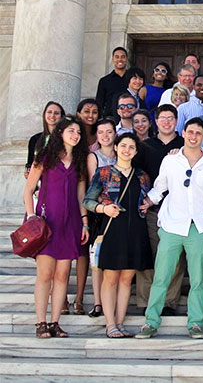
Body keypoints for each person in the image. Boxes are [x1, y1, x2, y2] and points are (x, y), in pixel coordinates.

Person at [135, 117, 203, 339]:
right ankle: (151, 321)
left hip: (199, 226)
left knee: (197, 278)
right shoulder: (170, 160)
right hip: (172, 224)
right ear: (183, 133)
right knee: (162, 276)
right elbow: (159, 187)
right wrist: (148, 201)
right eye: (190, 132)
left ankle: (195, 323)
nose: (193, 136)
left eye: (198, 133)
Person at [23, 116, 90, 338]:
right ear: (60, 133)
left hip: (69, 223)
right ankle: (40, 322)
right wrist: (31, 216)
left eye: (78, 132)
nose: (75, 135)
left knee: (62, 276)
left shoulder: (80, 161)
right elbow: (29, 189)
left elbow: (81, 196)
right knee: (45, 274)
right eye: (71, 130)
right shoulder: (45, 157)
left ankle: (54, 322)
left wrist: (84, 223)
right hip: (47, 222)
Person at [84, 132, 153, 338]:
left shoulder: (142, 176)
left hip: (135, 230)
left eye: (131, 147)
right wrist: (103, 209)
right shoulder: (104, 173)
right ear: (116, 147)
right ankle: (110, 323)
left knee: (127, 278)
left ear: (136, 151)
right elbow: (88, 200)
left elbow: (146, 200)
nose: (127, 150)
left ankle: (120, 322)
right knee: (111, 277)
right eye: (123, 146)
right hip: (113, 229)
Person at [133, 105, 186, 317]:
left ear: (176, 121)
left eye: (170, 118)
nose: (166, 122)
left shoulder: (184, 145)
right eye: (162, 118)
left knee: (175, 258)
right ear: (156, 121)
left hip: (179, 210)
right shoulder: (146, 146)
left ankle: (169, 301)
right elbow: (136, 175)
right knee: (151, 255)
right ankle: (146, 301)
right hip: (153, 209)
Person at [84, 118, 117, 319]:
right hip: (99, 212)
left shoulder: (123, 150)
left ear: (115, 134)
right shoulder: (93, 157)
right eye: (101, 132)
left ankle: (110, 302)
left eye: (109, 132)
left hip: (119, 213)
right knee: (96, 259)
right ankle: (97, 302)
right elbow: (92, 187)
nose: (105, 136)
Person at [26, 101, 65, 177]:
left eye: (56, 113)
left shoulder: (65, 139)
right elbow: (30, 164)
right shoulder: (34, 139)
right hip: (39, 184)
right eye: (49, 112)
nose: (52, 115)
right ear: (44, 114)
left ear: (62, 117)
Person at [96, 47, 129, 118]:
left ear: (126, 59)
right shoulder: (104, 81)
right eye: (117, 57)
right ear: (113, 60)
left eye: (123, 57)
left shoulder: (133, 80)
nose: (120, 59)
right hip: (110, 118)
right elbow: (99, 103)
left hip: (130, 117)